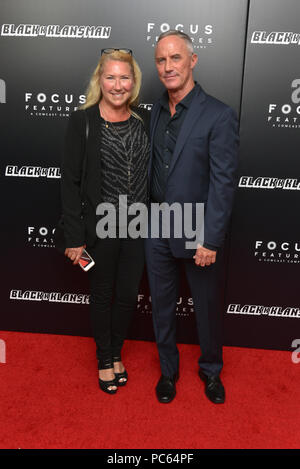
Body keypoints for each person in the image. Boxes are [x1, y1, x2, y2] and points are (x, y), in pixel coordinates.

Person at [145, 31, 239, 404]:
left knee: (207, 309)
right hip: (155, 225)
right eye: (161, 60)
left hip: (198, 230)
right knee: (162, 306)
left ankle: (211, 371)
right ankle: (168, 372)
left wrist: (210, 238)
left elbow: (223, 181)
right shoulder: (154, 110)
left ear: (192, 61)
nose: (168, 67)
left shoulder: (218, 114)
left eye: (175, 58)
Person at [61, 49, 150, 394]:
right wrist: (73, 236)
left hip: (137, 226)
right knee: (101, 295)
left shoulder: (142, 119)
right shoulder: (82, 121)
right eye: (110, 77)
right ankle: (104, 359)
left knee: (127, 296)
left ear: (133, 81)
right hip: (100, 227)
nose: (118, 85)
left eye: (124, 77)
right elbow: (69, 182)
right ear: (100, 80)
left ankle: (116, 353)